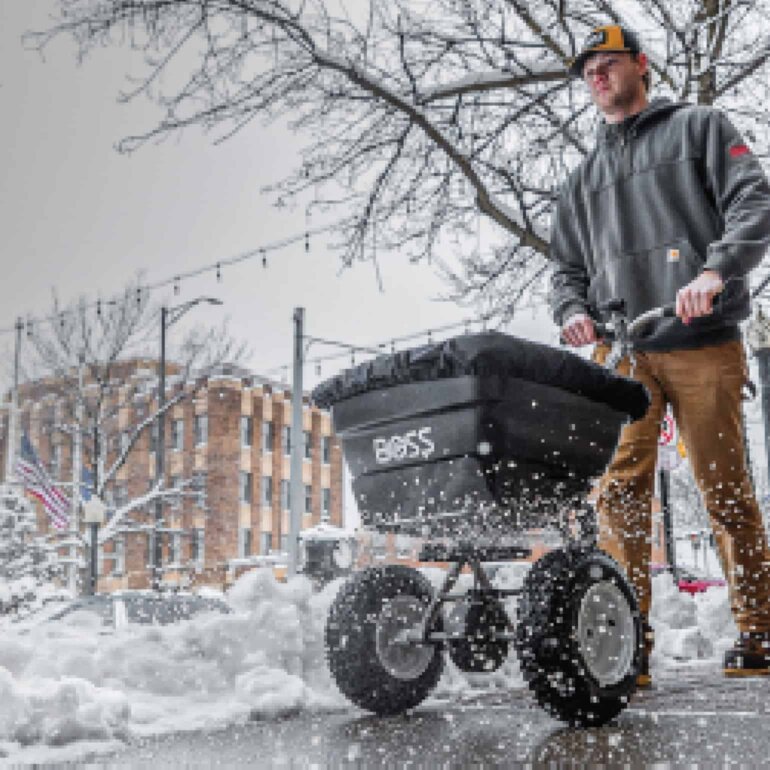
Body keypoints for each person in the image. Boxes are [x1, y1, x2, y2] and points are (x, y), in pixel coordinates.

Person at [549, 23, 770, 684]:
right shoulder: (582, 180)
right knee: (618, 496)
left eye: (607, 63)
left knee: (723, 487)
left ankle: (759, 632)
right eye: (587, 69)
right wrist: (573, 312)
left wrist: (716, 273)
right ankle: (626, 648)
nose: (596, 75)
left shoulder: (698, 128)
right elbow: (565, 270)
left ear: (640, 65)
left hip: (702, 342)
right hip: (625, 355)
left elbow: (753, 201)